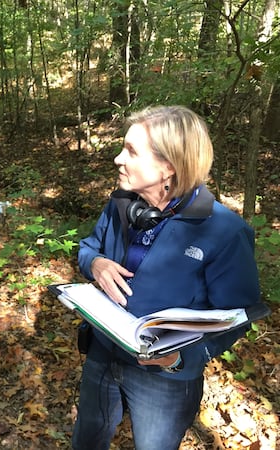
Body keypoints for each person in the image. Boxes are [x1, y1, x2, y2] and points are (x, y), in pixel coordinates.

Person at [73, 105, 261, 450]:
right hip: (102, 355)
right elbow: (87, 248)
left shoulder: (223, 231)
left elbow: (238, 316)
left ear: (168, 167)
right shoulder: (120, 205)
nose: (117, 158)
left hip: (164, 378)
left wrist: (180, 359)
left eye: (130, 151)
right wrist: (96, 263)